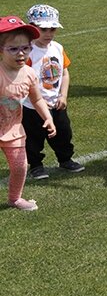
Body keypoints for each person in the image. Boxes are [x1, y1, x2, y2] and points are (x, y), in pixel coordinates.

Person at [0, 15, 56, 211]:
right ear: (1, 49)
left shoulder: (30, 74)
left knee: (20, 167)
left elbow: (37, 99)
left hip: (13, 129)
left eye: (26, 47)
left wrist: (48, 117)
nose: (21, 53)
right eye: (13, 49)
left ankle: (15, 198)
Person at [22, 5, 84, 180]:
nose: (49, 34)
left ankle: (65, 159)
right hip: (32, 106)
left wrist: (63, 95)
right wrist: (36, 99)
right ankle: (36, 165)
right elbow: (23, 79)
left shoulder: (57, 47)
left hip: (56, 103)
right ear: (32, 28)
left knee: (63, 133)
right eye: (44, 30)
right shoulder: (27, 52)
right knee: (33, 138)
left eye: (53, 29)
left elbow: (64, 73)